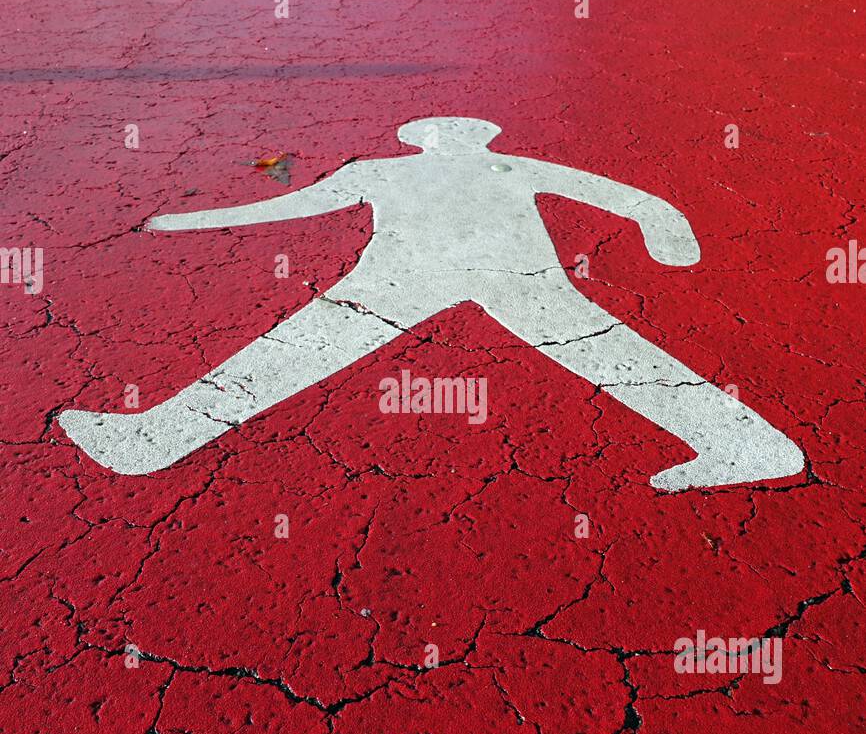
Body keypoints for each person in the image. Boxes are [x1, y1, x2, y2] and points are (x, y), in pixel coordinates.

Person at [59, 117, 804, 492]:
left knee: (612, 355)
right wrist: (184, 220)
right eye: (441, 132)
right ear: (423, 141)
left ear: (473, 139)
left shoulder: (514, 165)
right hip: (400, 278)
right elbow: (288, 206)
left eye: (459, 132)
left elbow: (622, 197)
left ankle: (753, 447)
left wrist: (668, 236)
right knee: (286, 353)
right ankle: (154, 439)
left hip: (514, 276)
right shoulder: (384, 172)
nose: (450, 138)